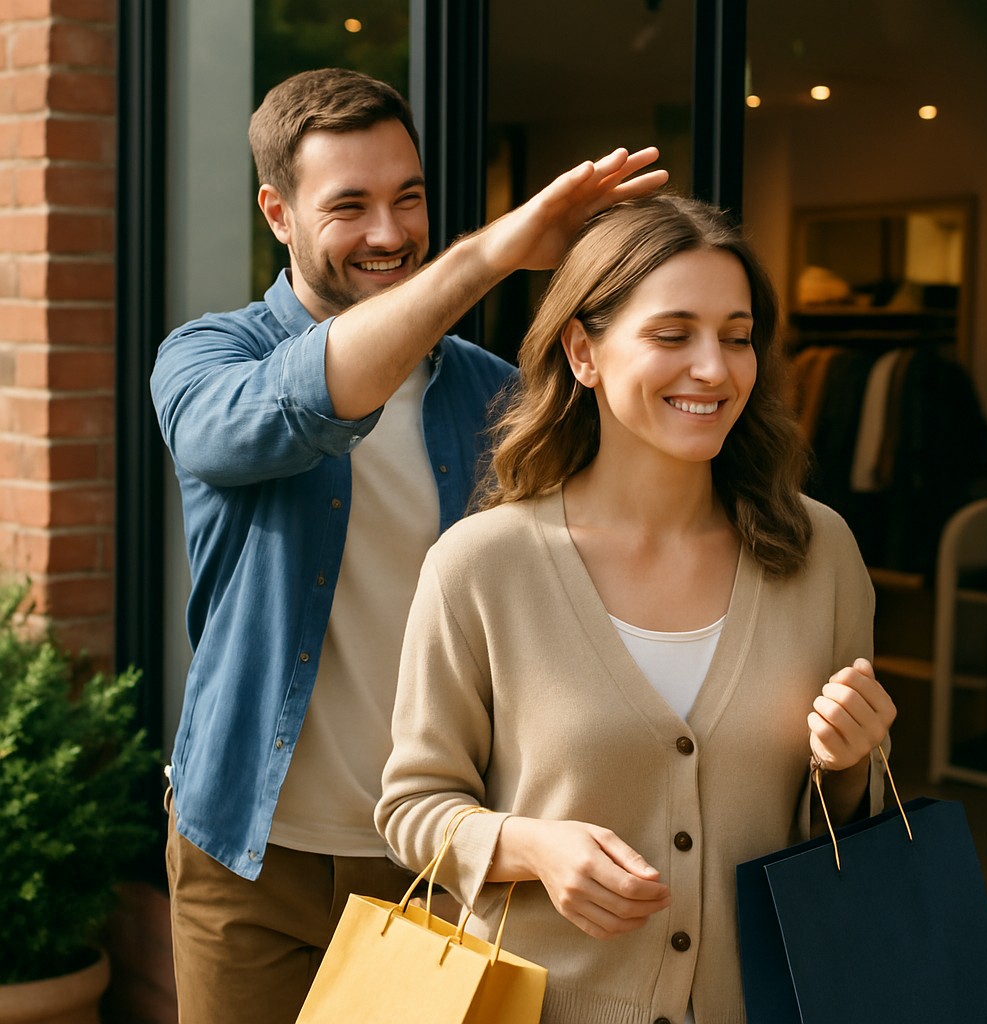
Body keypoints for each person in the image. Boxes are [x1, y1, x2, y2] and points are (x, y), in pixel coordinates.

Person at [150, 66, 667, 1024]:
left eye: (410, 198)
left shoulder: (494, 396)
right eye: (350, 205)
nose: (391, 234)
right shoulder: (207, 360)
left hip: (438, 861)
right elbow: (275, 416)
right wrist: (489, 259)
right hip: (247, 858)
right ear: (278, 212)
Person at [375, 191, 898, 1024]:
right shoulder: (481, 566)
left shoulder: (819, 552)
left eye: (736, 337)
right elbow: (411, 809)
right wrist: (530, 847)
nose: (715, 368)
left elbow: (835, 827)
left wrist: (849, 762)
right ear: (583, 351)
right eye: (672, 334)